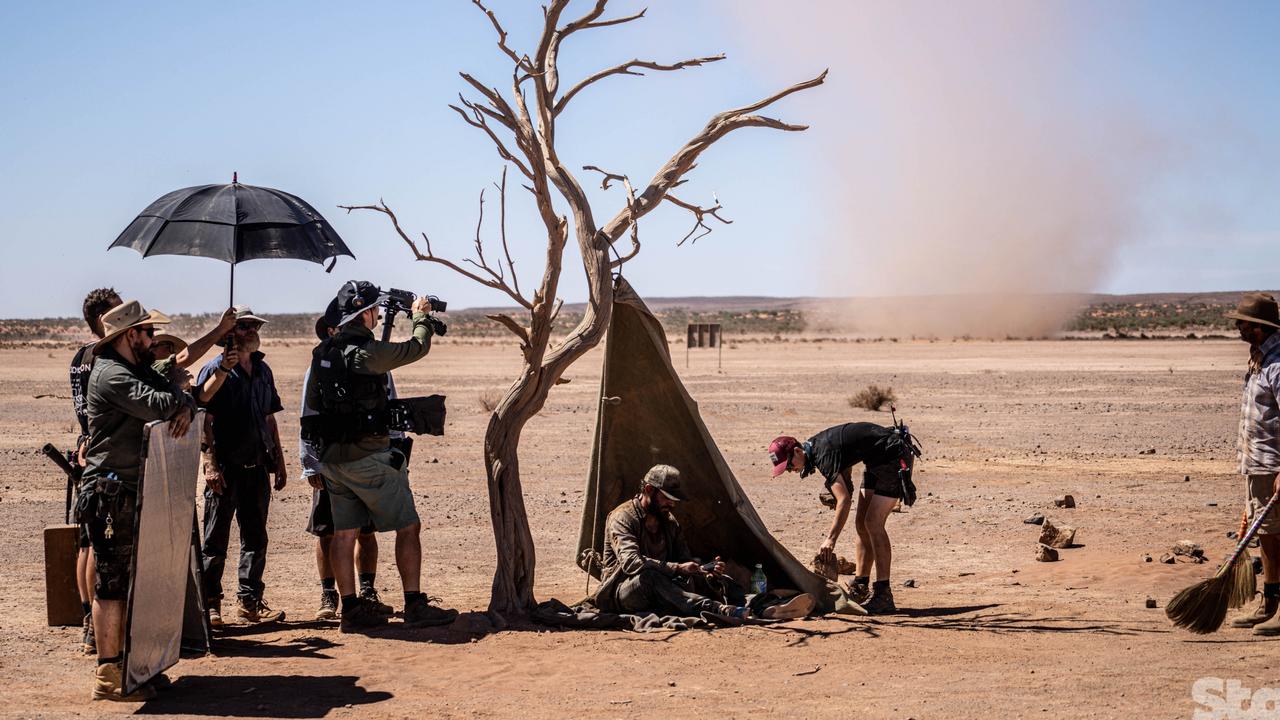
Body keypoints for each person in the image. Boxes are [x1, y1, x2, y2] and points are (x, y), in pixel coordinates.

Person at [304, 281, 456, 632]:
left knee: (344, 533)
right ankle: (415, 603)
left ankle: (351, 610)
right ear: (367, 314)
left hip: (334, 461)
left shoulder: (323, 354)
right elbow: (415, 349)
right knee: (408, 525)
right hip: (368, 457)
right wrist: (421, 317)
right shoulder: (365, 353)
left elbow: (312, 404)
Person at [82, 299, 195, 701]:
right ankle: (108, 673)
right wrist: (181, 401)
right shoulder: (112, 374)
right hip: (110, 492)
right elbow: (162, 402)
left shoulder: (134, 369)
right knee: (112, 583)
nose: (153, 339)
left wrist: (184, 401)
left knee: (135, 582)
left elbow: (181, 393)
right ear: (131, 335)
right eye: (148, 333)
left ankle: (133, 666)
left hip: (133, 489)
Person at [194, 305, 287, 626]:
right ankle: (210, 603)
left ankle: (249, 601)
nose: (252, 331)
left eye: (254, 326)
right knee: (215, 541)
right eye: (245, 326)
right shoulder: (214, 370)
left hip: (257, 465)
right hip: (226, 469)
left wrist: (280, 460)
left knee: (256, 539)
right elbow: (204, 418)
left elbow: (269, 417)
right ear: (229, 333)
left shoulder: (263, 371)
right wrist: (209, 464)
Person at [302, 309, 393, 620]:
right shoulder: (322, 364)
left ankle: (367, 591)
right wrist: (311, 464)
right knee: (327, 531)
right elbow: (308, 415)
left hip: (369, 457)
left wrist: (395, 447)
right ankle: (330, 595)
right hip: (329, 458)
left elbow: (389, 405)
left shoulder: (373, 361)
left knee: (367, 531)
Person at [769, 421, 916, 614]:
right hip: (875, 460)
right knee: (862, 524)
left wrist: (830, 539)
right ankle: (860, 586)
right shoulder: (816, 450)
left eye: (789, 465)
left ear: (797, 451)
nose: (790, 470)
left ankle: (883, 594)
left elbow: (844, 501)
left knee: (873, 522)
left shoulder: (822, 455)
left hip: (893, 456)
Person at [592, 465, 752, 619]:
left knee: (720, 581)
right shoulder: (622, 517)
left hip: (665, 585)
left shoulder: (669, 522)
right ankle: (715, 609)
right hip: (623, 591)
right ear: (648, 490)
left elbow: (683, 560)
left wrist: (703, 570)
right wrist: (677, 568)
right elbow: (631, 563)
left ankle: (751, 606)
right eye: (667, 498)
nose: (672, 504)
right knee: (650, 578)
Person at [1226, 292, 1280, 635]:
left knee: (1276, 536)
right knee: (1268, 535)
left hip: (1272, 466)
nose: (1237, 327)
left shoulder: (1277, 364)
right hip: (1257, 463)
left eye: (1242, 322)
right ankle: (1269, 604)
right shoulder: (1259, 358)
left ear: (1258, 327)